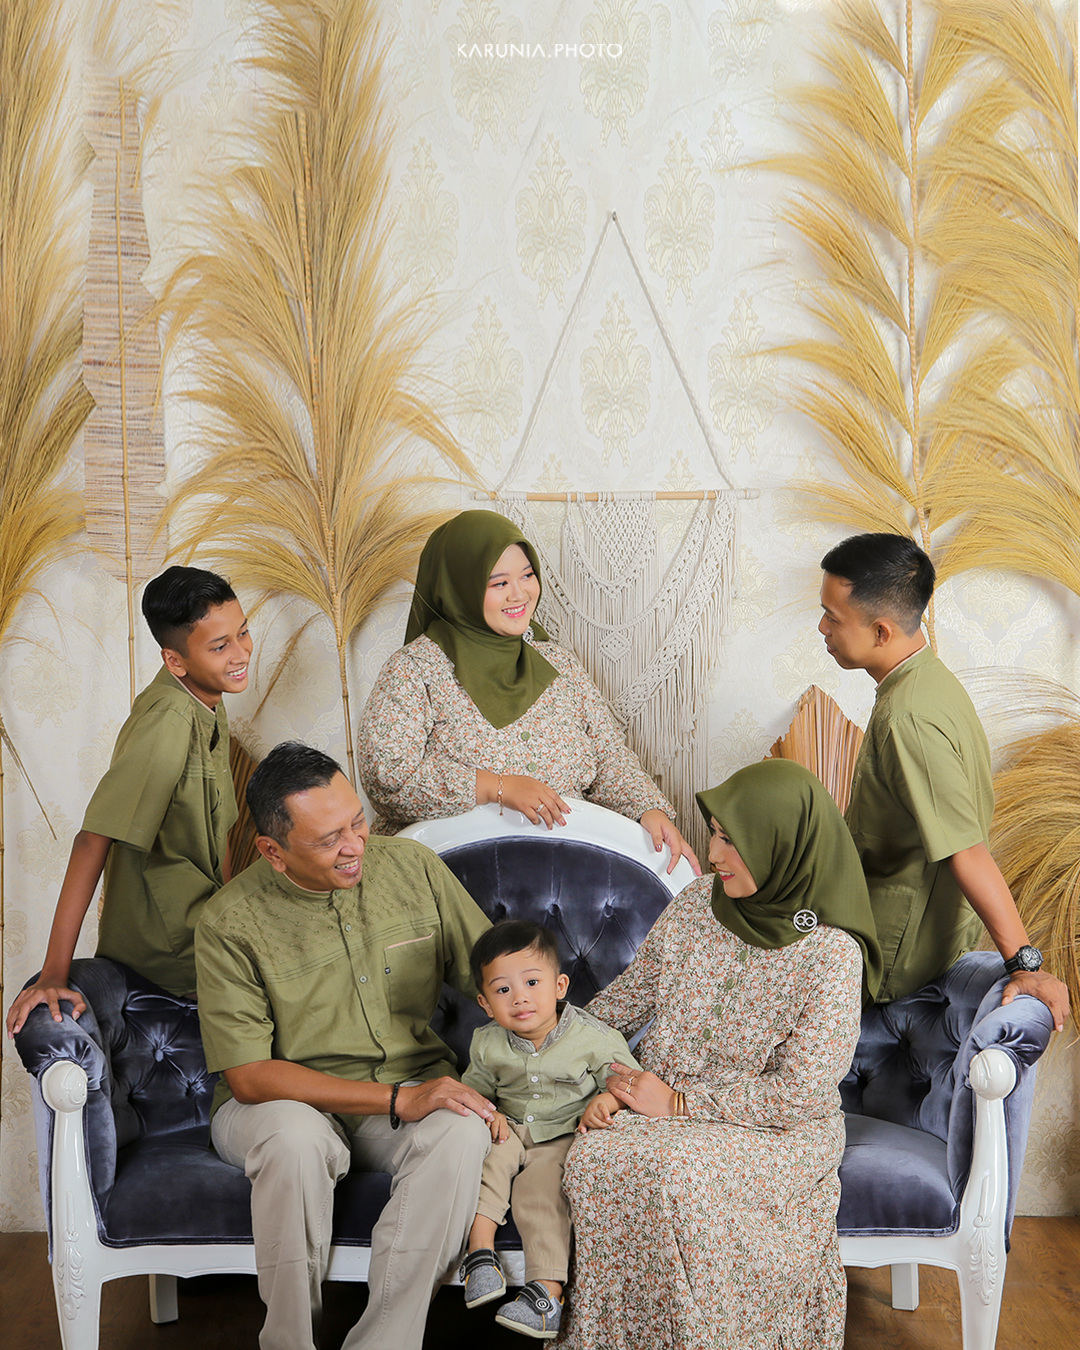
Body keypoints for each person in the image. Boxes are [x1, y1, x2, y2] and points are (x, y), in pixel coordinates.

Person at [561, 759, 881, 1350]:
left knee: (676, 1177)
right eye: (714, 832)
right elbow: (624, 1003)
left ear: (782, 844)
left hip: (774, 1130)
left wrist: (678, 1103)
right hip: (659, 1107)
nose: (712, 854)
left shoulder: (831, 952)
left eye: (733, 841)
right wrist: (573, 1062)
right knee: (593, 1160)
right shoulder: (693, 907)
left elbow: (800, 1094)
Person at [194, 741, 495, 1350]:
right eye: (329, 839)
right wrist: (395, 1100)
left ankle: (385, 1343)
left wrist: (578, 1054)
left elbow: (497, 976)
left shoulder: (413, 868)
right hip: (281, 1106)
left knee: (461, 1128)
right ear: (273, 852)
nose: (355, 844)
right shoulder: (229, 924)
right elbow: (250, 1077)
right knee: (295, 1140)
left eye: (356, 822)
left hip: (407, 1092)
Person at [356, 510, 699, 875]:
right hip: (453, 874)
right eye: (498, 583)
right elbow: (389, 781)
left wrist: (648, 809)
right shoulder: (415, 669)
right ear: (459, 587)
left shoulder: (556, 662)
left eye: (527, 575)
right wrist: (495, 788)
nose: (520, 594)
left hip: (567, 871)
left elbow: (608, 755)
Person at [818, 532, 1069, 1027]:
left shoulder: (909, 717)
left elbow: (966, 850)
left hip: (892, 952)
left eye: (833, 617)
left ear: (882, 632)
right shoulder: (928, 681)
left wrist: (1025, 963)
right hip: (897, 924)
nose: (822, 627)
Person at [7, 566, 251, 1035]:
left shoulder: (209, 704)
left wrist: (231, 917)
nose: (240, 654)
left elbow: (218, 834)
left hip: (207, 926)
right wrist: (54, 973)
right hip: (169, 948)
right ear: (174, 660)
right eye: (220, 647)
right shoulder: (168, 722)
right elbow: (93, 838)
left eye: (243, 634)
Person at [458, 920, 640, 1341]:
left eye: (532, 983)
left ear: (559, 986)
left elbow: (627, 1082)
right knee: (488, 1166)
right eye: (503, 990)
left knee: (538, 1192)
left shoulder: (592, 1036)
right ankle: (480, 1256)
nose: (519, 998)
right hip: (508, 1126)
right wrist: (488, 1114)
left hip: (561, 1134)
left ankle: (547, 1294)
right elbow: (473, 1091)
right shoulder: (486, 1043)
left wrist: (605, 1101)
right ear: (486, 1004)